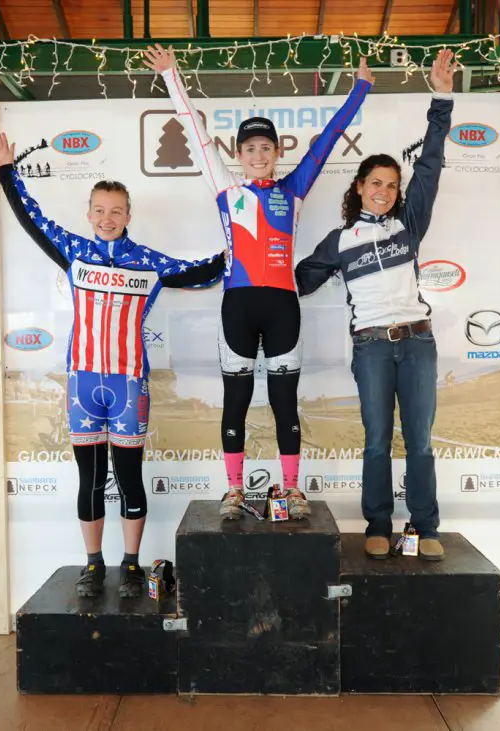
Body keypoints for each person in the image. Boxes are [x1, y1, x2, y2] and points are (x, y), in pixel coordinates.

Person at [143, 44, 374, 520]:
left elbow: (328, 139)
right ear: (240, 154)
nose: (258, 155)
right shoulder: (226, 188)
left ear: (276, 152)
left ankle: (292, 490)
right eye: (250, 149)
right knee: (238, 401)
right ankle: (233, 490)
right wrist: (171, 76)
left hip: (283, 304)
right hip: (239, 306)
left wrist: (361, 89)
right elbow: (196, 134)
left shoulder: (294, 188)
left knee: (285, 403)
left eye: (266, 148)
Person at [0, 132, 226, 597]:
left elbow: (204, 271)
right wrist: (5, 172)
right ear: (89, 213)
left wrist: (238, 245)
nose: (107, 218)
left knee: (130, 479)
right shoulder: (74, 251)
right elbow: (32, 220)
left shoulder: (148, 262)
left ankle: (133, 565)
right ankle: (94, 565)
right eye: (99, 210)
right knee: (91, 480)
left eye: (116, 210)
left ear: (128, 216)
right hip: (82, 384)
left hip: (129, 387)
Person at [295, 49, 456, 561]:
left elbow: (429, 163)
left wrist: (442, 97)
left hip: (418, 343)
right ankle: (379, 524)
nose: (384, 191)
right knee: (377, 443)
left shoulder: (409, 223)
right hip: (370, 350)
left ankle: (425, 526)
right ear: (359, 187)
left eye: (391, 184)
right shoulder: (339, 242)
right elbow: (296, 281)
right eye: (375, 183)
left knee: (421, 443)